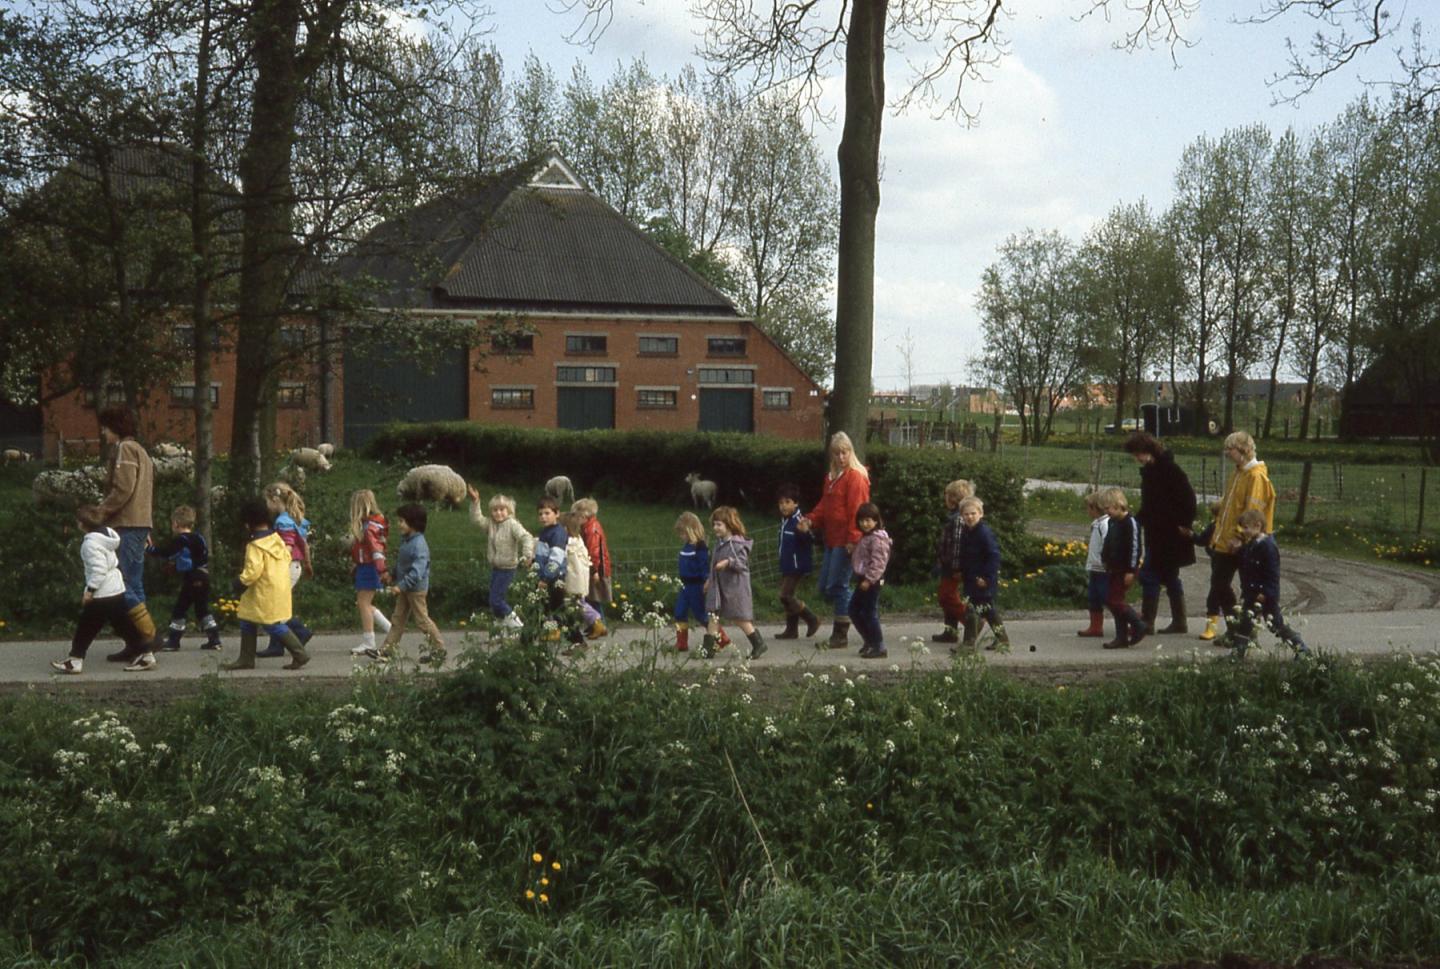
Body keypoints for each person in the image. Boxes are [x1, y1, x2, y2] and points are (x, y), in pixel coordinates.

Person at [50, 505, 156, 674]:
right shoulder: (107, 536)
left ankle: (75, 660)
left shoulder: (90, 544)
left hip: (103, 593)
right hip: (116, 587)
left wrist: (90, 591)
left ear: (82, 525)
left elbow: (98, 570)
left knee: (87, 626)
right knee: (122, 625)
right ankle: (146, 654)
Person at [94, 406, 161, 665]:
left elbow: (123, 489)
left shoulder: (125, 449)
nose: (103, 433)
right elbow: (146, 492)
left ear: (116, 428)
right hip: (138, 524)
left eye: (105, 428)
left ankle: (148, 640)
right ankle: (137, 643)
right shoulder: (141, 451)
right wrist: (147, 526)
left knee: (124, 584)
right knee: (135, 583)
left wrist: (99, 513)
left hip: (127, 524)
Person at [1200, 431, 1276, 642]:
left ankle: (1243, 631)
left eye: (1230, 449)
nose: (1227, 453)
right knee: (1220, 584)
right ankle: (1236, 628)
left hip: (1242, 544)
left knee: (1245, 588)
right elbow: (1228, 507)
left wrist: (1240, 537)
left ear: (1243, 450)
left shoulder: (1255, 477)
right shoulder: (1238, 473)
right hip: (1224, 541)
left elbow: (1252, 512)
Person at [800, 431, 871, 649]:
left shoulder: (855, 477)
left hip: (845, 540)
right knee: (825, 587)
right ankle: (856, 609)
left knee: (838, 585)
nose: (841, 457)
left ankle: (841, 632)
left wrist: (853, 538)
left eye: (845, 452)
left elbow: (857, 510)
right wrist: (810, 520)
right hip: (832, 538)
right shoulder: (831, 479)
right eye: (837, 453)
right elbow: (825, 507)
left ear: (851, 452)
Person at [1123, 432, 1198, 635]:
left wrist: (1182, 524)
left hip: (1168, 534)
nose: (1137, 458)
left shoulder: (1170, 471)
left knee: (1149, 574)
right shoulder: (1153, 472)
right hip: (1159, 532)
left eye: (1138, 453)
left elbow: (1189, 501)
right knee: (1170, 576)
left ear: (1148, 451)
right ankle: (1179, 622)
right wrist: (1136, 521)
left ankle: (1147, 622)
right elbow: (1150, 505)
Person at [223, 497, 309, 671]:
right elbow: (286, 556)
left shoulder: (255, 545)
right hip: (276, 587)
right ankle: (246, 659)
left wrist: (239, 582)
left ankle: (300, 654)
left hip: (262, 591)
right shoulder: (275, 538)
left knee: (272, 624)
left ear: (248, 523)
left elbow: (253, 571)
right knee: (249, 620)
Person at [1226, 508, 1310, 658]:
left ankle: (1301, 648)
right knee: (1245, 623)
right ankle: (1237, 653)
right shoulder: (1251, 544)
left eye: (1246, 527)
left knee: (1275, 624)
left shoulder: (1268, 547)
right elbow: (1245, 562)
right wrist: (1236, 551)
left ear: (1258, 526)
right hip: (1252, 592)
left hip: (1264, 594)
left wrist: (1266, 592)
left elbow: (1272, 573)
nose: (1243, 531)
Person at [371, 503, 446, 664]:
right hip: (405, 588)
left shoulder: (419, 545)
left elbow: (417, 572)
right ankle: (387, 651)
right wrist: (392, 576)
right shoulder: (407, 541)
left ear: (413, 523)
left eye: (402, 521)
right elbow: (402, 564)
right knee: (397, 619)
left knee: (422, 620)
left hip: (416, 590)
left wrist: (400, 586)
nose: (399, 524)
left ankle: (439, 649)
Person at [146, 504, 221, 651]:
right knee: (202, 609)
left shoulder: (181, 540)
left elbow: (167, 552)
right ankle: (214, 638)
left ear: (175, 523)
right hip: (204, 576)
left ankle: (174, 640)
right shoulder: (199, 538)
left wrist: (150, 549)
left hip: (192, 578)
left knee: (180, 609)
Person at [702, 506, 767, 661]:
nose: (715, 528)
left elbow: (742, 563)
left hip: (735, 587)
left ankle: (758, 643)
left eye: (719, 524)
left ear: (729, 525)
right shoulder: (719, 543)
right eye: (714, 524)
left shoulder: (737, 544)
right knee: (713, 615)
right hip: (719, 586)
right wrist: (709, 580)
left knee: (740, 618)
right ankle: (708, 649)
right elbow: (713, 563)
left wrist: (728, 562)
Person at [468, 487, 535, 629]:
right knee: (494, 601)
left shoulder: (512, 525)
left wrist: (527, 554)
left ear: (509, 511)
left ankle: (517, 624)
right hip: (496, 567)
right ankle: (500, 627)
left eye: (502, 509)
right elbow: (477, 520)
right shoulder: (491, 524)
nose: (498, 513)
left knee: (496, 600)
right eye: (495, 510)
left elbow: (526, 537)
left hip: (508, 568)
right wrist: (475, 501)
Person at [260, 482, 313, 658]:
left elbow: (288, 545)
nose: (266, 505)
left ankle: (299, 632)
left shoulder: (283, 521)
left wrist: (277, 562)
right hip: (293, 566)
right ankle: (277, 644)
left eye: (267, 501)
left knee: (274, 606)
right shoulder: (295, 518)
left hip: (287, 566)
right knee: (277, 605)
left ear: (275, 499)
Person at [956, 496, 1010, 652]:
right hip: (971, 578)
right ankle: (1002, 639)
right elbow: (965, 555)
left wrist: (987, 578)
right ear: (962, 516)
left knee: (974, 611)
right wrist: (961, 570)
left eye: (973, 513)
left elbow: (993, 556)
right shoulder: (967, 532)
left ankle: (968, 645)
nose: (970, 517)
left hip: (983, 579)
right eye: (966, 514)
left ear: (981, 514)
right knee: (987, 610)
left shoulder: (983, 533)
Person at [1098, 487, 1146, 650]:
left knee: (1114, 600)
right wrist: (1104, 558)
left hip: (1125, 568)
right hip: (1113, 566)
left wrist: (1131, 570)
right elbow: (1108, 541)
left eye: (1108, 508)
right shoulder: (1112, 522)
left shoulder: (1130, 522)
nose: (1107, 512)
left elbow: (1135, 547)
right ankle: (1121, 636)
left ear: (1118, 505)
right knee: (1112, 600)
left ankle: (1138, 623)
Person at [346, 489, 393, 657]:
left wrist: (382, 570)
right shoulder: (374, 524)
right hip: (365, 566)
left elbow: (375, 551)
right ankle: (391, 630)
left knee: (363, 604)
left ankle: (369, 641)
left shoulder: (368, 527)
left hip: (369, 568)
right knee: (365, 603)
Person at [848, 502, 893, 659]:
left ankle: (878, 645)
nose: (865, 524)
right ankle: (869, 640)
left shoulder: (878, 539)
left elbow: (879, 563)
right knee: (853, 610)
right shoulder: (866, 537)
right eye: (861, 521)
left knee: (869, 612)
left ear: (876, 521)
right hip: (863, 579)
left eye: (868, 520)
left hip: (872, 581)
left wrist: (869, 580)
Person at [932, 479, 974, 644]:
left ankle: (972, 623)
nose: (945, 499)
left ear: (954, 499)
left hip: (953, 565)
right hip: (947, 564)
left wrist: (956, 567)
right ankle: (950, 631)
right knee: (948, 595)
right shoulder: (953, 517)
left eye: (947, 495)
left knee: (947, 596)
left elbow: (957, 545)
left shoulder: (957, 519)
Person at [774, 483, 818, 640]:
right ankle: (791, 630)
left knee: (785, 595)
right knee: (788, 595)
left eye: (787, 502)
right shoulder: (785, 520)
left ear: (796, 503)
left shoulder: (799, 520)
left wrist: (804, 533)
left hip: (797, 565)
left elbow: (809, 540)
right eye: (781, 503)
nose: (783, 506)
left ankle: (811, 619)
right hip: (787, 564)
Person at [561, 510, 607, 647]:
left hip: (573, 580)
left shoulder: (567, 543)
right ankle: (596, 622)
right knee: (578, 603)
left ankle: (596, 621)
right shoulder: (579, 540)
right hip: (581, 579)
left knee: (576, 604)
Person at [532, 496, 570, 639]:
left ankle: (577, 639)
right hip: (544, 577)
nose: (543, 517)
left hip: (554, 578)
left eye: (547, 513)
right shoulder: (546, 532)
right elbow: (543, 555)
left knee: (559, 609)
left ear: (557, 514)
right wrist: (534, 562)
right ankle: (541, 634)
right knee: (543, 607)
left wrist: (546, 578)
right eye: (540, 514)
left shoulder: (557, 533)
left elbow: (556, 558)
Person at [673, 512, 710, 653]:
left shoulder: (700, 547)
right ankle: (681, 643)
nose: (680, 536)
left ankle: (718, 637)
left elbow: (704, 565)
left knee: (701, 614)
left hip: (696, 585)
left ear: (690, 530)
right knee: (679, 612)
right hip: (684, 585)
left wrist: (706, 580)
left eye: (682, 533)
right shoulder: (686, 546)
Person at [572, 498, 613, 618]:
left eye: (576, 516)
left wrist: (594, 570)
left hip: (597, 569)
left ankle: (599, 624)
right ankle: (595, 625)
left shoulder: (591, 529)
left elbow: (594, 552)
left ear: (583, 516)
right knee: (591, 598)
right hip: (593, 568)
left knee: (594, 598)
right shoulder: (588, 527)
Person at [1077, 491, 1110, 638]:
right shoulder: (1096, 524)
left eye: (1088, 508)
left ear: (1094, 508)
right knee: (1093, 597)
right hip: (1094, 567)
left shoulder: (1105, 524)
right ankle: (1095, 626)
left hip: (1103, 568)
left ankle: (1132, 620)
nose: (1087, 511)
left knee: (1108, 597)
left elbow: (1107, 543)